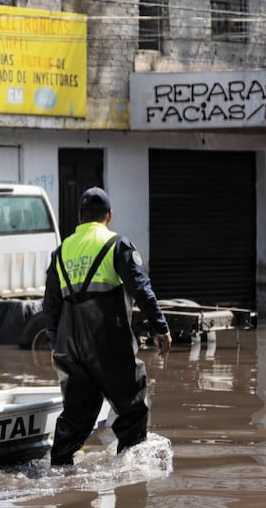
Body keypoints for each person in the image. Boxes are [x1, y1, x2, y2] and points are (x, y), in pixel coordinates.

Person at [43, 187, 172, 466]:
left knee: (76, 418)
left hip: (71, 346)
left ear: (79, 217)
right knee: (133, 410)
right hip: (107, 341)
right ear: (109, 216)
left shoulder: (60, 252)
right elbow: (141, 289)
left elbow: (50, 306)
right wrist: (160, 327)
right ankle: (131, 482)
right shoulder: (117, 245)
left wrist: (56, 345)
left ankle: (59, 472)